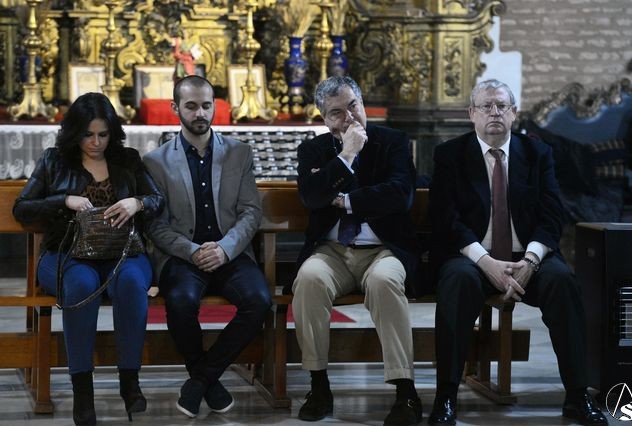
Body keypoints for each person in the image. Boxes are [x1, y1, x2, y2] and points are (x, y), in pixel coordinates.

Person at [427, 79, 608, 426]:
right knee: (456, 283)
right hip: (473, 258)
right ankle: (446, 397)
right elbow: (445, 219)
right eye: (486, 106)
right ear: (472, 114)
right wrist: (486, 262)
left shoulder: (538, 153)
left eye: (501, 106)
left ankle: (577, 396)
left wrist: (531, 261)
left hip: (528, 257)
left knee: (563, 282)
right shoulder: (450, 154)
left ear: (514, 113)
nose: (494, 112)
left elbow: (552, 215)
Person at [12, 92, 164, 426]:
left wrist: (137, 203)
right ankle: (83, 393)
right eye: (88, 134)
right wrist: (63, 200)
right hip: (65, 253)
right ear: (74, 132)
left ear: (112, 132)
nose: (96, 142)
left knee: (131, 282)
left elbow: (157, 200)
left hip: (122, 251)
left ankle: (130, 383)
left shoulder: (127, 159)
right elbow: (21, 208)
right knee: (81, 284)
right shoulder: (55, 160)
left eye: (103, 134)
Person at [291, 76, 423, 426]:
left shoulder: (393, 142)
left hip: (384, 249)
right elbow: (312, 197)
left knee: (384, 282)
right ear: (324, 119)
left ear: (362, 104)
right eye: (337, 112)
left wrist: (345, 200)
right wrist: (346, 155)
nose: (349, 117)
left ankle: (405, 391)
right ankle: (319, 386)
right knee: (308, 280)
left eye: (353, 106)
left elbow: (401, 195)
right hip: (332, 251)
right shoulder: (312, 151)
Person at [142, 75, 272, 418]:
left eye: (206, 105)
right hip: (183, 256)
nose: (200, 113)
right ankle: (208, 381)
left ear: (215, 106)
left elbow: (251, 211)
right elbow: (155, 224)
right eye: (191, 106)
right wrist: (192, 250)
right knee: (180, 301)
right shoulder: (155, 161)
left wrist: (225, 249)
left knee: (259, 300)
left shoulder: (239, 153)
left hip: (230, 253)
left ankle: (200, 380)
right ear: (175, 108)